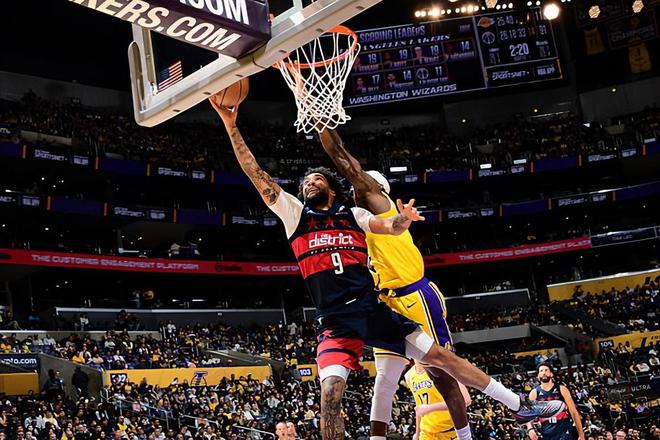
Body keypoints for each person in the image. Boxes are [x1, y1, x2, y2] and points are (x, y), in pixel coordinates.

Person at [212, 100, 563, 440]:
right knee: (342, 390)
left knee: (440, 362)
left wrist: (402, 220)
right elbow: (255, 172)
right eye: (306, 181)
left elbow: (387, 223)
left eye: (317, 178)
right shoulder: (296, 215)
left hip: (383, 307)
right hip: (340, 318)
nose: (309, 182)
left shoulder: (357, 213)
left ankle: (515, 406)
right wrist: (231, 126)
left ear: (334, 189)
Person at [316, 128, 562, 440]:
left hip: (414, 297)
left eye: (362, 186)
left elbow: (348, 167)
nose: (356, 191)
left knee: (443, 372)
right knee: (385, 380)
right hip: (387, 304)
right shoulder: (361, 223)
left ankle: (489, 423)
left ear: (378, 190)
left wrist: (323, 124)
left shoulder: (379, 203)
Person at [406, 360, 471, 440]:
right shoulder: (409, 375)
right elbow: (419, 408)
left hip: (449, 432)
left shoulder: (444, 368)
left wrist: (430, 408)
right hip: (426, 434)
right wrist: (417, 433)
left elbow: (466, 400)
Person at [527, 362, 585, 440]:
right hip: (546, 431)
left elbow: (574, 412)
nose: (543, 373)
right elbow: (528, 416)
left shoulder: (562, 389)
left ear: (551, 374)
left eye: (546, 370)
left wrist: (581, 435)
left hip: (564, 428)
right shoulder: (534, 393)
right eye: (541, 371)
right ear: (538, 376)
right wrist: (530, 429)